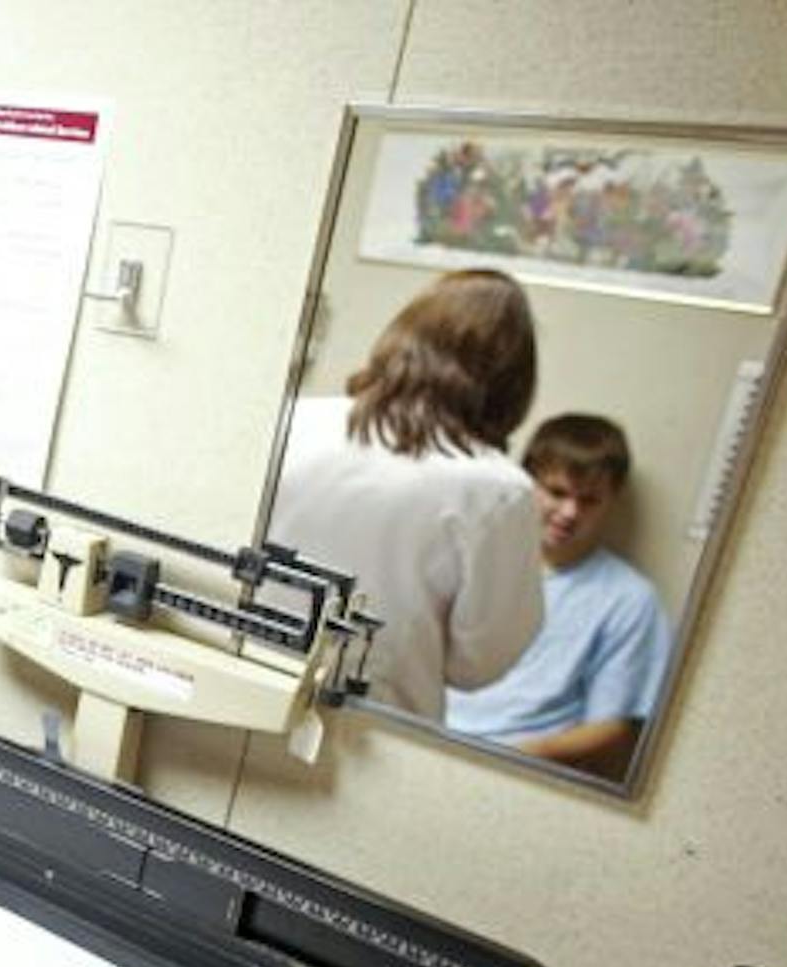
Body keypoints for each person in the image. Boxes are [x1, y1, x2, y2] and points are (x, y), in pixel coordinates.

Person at [268, 268, 546, 720]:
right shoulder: (498, 493)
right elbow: (478, 667)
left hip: (244, 691)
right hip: (374, 734)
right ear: (514, 383)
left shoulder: (291, 422)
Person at [446, 414, 672, 779]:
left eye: (590, 500)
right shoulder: (470, 556)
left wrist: (512, 757)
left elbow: (613, 728)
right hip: (420, 739)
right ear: (527, 483)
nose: (570, 513)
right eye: (557, 492)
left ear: (612, 499)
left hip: (521, 775)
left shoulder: (630, 600)